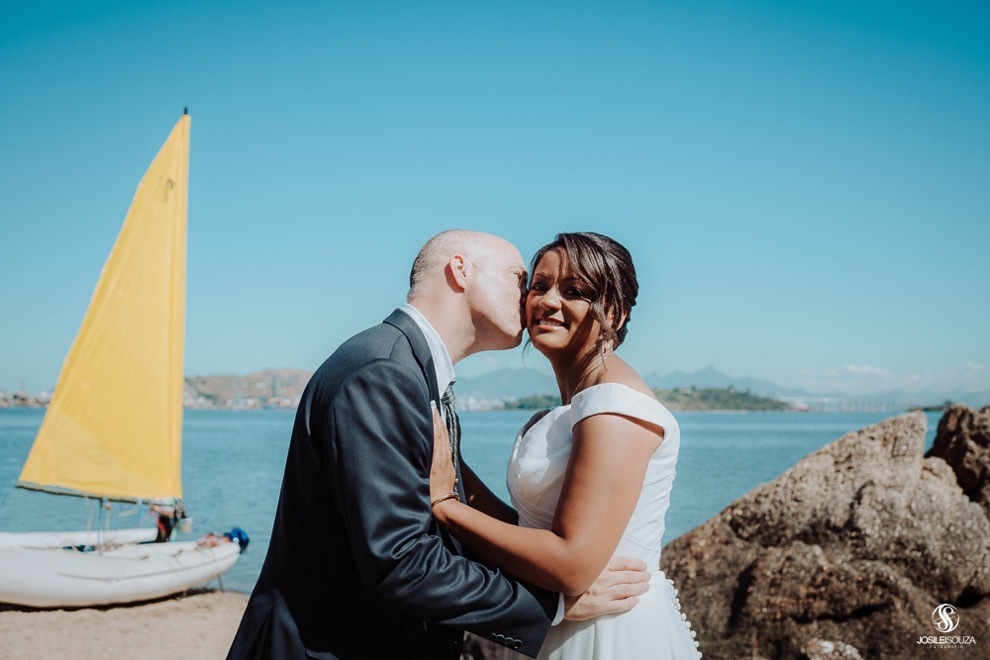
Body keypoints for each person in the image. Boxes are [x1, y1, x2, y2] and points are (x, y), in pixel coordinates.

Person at [227, 230, 651, 660]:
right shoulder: (384, 373)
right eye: (522, 279)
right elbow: (400, 562)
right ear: (460, 270)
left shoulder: (412, 370)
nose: (531, 298)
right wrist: (549, 606)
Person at [430, 232, 702, 659]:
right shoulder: (574, 407)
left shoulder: (615, 406)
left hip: (611, 633)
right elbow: (527, 533)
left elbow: (572, 565)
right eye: (539, 286)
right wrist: (451, 466)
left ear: (614, 312)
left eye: (574, 291)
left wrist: (448, 508)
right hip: (573, 623)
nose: (548, 301)